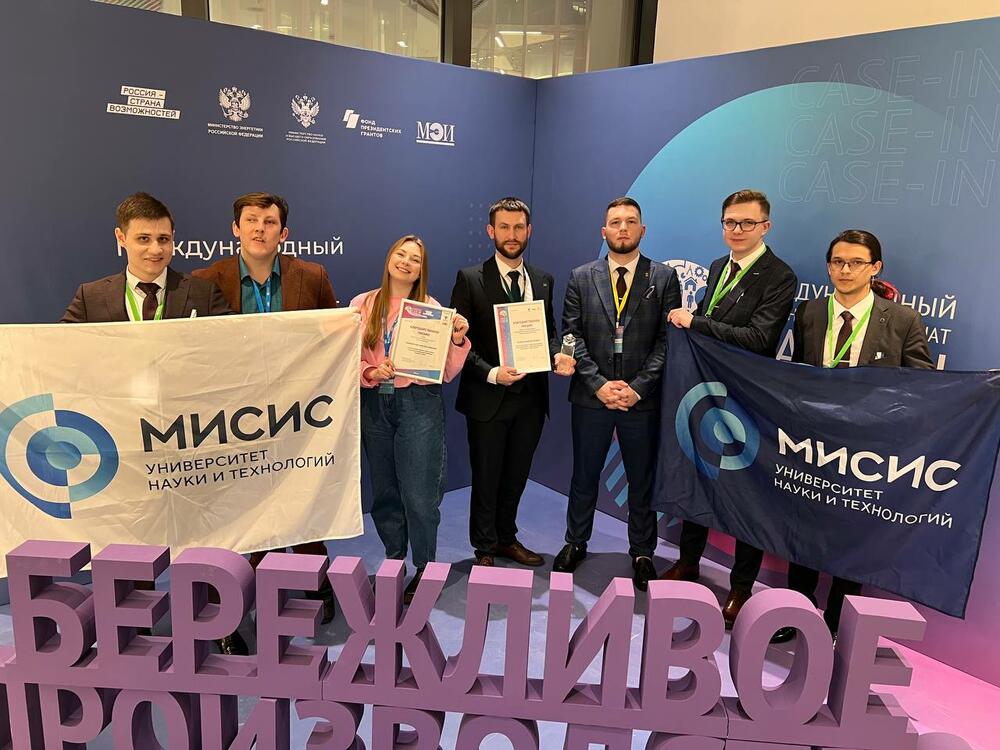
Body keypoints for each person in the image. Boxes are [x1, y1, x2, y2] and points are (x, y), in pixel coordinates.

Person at [771, 228, 933, 644]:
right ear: (828, 266)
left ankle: (837, 621)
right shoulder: (810, 312)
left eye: (856, 263)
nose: (845, 270)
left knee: (852, 531)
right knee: (804, 526)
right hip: (814, 441)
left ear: (875, 268)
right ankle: (796, 611)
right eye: (838, 262)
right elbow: (800, 373)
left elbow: (922, 385)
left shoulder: (902, 320)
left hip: (865, 449)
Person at [192, 192, 338, 634]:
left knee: (301, 492)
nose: (260, 228)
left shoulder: (311, 275)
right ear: (235, 229)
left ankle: (315, 577)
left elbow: (333, 335)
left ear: (283, 232)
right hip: (234, 416)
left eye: (269, 222)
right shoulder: (206, 279)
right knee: (242, 500)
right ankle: (242, 582)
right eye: (251, 220)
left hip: (296, 411)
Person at [663, 189, 796, 628]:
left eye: (747, 223)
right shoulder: (720, 266)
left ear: (765, 227)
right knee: (699, 475)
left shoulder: (780, 276)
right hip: (706, 391)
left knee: (746, 493)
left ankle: (741, 587)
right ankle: (688, 562)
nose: (737, 230)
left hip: (748, 398)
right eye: (730, 222)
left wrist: (695, 321)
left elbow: (760, 338)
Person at [553, 197, 681, 591]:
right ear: (604, 231)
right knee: (584, 474)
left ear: (643, 230)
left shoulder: (664, 278)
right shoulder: (581, 277)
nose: (623, 228)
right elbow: (571, 334)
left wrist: (638, 388)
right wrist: (599, 384)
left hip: (641, 400)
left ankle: (642, 552)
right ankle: (576, 541)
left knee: (641, 479)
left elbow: (668, 342)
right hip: (592, 397)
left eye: (630, 221)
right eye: (615, 222)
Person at [450, 197, 575, 568]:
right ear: (491, 231)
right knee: (486, 476)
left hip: (531, 399)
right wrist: (492, 373)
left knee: (516, 475)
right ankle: (485, 547)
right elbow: (458, 342)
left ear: (529, 231)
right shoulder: (470, 278)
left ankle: (506, 538)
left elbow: (548, 333)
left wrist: (557, 355)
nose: (512, 234)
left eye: (519, 227)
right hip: (488, 396)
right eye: (504, 227)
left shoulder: (543, 280)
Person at [351, 235, 470, 603]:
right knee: (385, 491)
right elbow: (344, 357)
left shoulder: (432, 310)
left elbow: (445, 371)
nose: (405, 262)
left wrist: (457, 339)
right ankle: (394, 560)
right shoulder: (362, 304)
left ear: (421, 270)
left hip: (419, 404)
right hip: (375, 403)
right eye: (400, 254)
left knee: (419, 494)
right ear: (389, 258)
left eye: (414, 259)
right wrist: (369, 372)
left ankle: (425, 567)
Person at [62, 192, 229, 323]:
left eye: (163, 239)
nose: (156, 250)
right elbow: (61, 346)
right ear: (121, 238)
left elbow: (232, 345)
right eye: (144, 239)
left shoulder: (204, 293)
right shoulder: (90, 297)